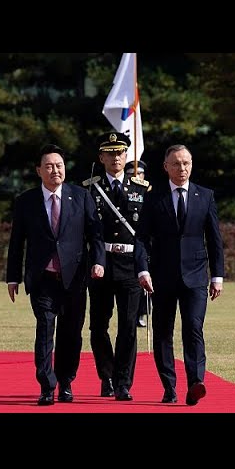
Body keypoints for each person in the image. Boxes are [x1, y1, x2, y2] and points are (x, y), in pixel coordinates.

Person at [6, 144, 105, 406]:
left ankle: (66, 382)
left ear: (65, 168)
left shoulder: (81, 196)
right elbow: (17, 243)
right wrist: (12, 277)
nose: (54, 170)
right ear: (39, 171)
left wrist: (98, 262)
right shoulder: (26, 201)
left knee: (71, 334)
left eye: (59, 165)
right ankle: (47, 386)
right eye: (48, 166)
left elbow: (95, 234)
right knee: (45, 329)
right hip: (43, 279)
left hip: (74, 279)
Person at [134, 144, 224, 406]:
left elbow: (214, 239)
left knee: (194, 328)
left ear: (192, 164)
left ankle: (195, 382)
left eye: (186, 163)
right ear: (166, 167)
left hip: (196, 276)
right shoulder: (154, 197)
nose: (182, 168)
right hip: (161, 277)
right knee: (163, 331)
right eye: (176, 164)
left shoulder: (205, 196)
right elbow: (141, 238)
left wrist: (217, 276)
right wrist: (142, 269)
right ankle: (169, 386)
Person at [85, 132, 150, 401]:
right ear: (101, 158)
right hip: (101, 264)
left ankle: (123, 382)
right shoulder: (90, 188)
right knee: (98, 325)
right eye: (110, 153)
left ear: (127, 156)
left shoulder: (140, 188)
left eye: (120, 153)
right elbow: (88, 231)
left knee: (128, 326)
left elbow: (145, 233)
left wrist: (145, 266)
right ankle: (106, 376)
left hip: (129, 264)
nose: (116, 158)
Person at [125, 159, 151, 329]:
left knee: (145, 284)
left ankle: (143, 313)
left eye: (140, 173)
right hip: (127, 245)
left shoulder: (150, 193)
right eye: (131, 174)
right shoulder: (123, 193)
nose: (136, 176)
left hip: (145, 246)